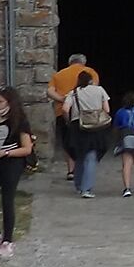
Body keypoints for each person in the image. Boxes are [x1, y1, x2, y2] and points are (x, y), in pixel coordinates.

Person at [0, 87, 33, 259]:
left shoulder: (19, 122)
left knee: (7, 200)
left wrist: (6, 153)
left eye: (0, 101)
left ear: (10, 103)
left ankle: (8, 241)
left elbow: (27, 149)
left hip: (12, 164)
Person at [47, 54, 97, 182]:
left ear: (70, 63)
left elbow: (50, 91)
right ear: (83, 62)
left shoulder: (59, 75)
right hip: (86, 112)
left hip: (64, 112)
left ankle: (71, 170)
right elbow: (93, 90)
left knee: (68, 141)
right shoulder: (90, 72)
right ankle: (84, 167)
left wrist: (63, 99)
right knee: (85, 140)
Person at [65, 73, 115, 198]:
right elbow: (107, 109)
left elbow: (65, 109)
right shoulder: (99, 90)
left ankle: (78, 185)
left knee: (80, 155)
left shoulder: (74, 93)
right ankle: (86, 188)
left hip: (78, 126)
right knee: (91, 157)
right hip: (95, 127)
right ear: (91, 80)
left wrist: (69, 121)